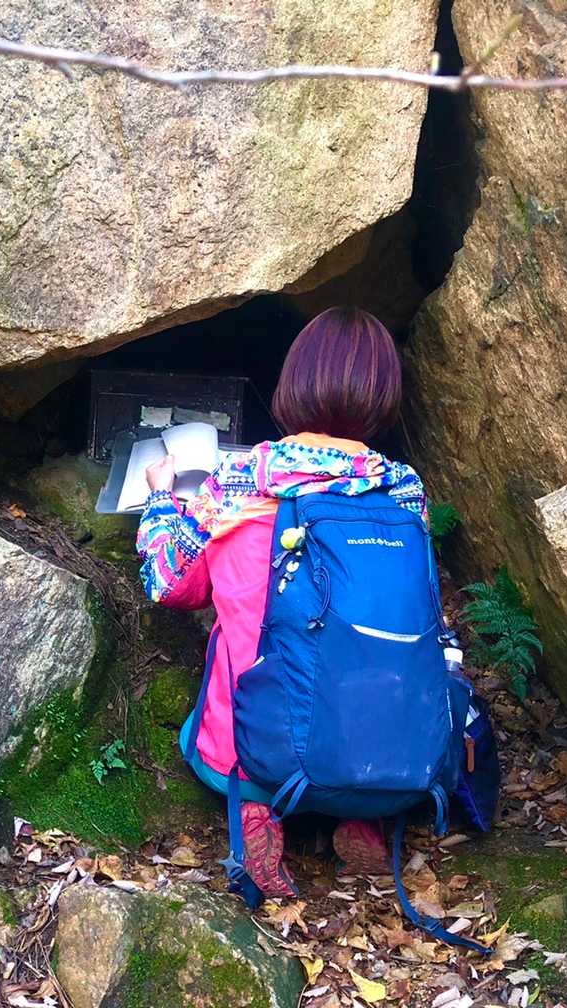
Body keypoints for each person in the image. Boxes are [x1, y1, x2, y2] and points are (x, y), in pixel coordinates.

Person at [136, 305, 431, 898]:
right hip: (386, 749)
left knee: (235, 674)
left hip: (257, 744)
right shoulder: (404, 491)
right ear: (382, 395)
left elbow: (171, 584)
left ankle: (257, 807)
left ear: (293, 382)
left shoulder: (241, 479)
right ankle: (362, 818)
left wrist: (162, 499)